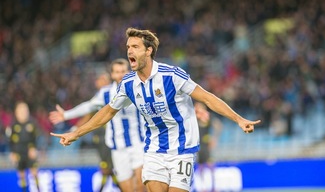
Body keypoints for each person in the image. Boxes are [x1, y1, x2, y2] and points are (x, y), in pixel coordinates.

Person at [51, 27, 261, 192]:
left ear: (148, 50)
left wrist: (238, 119)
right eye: (128, 47)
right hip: (153, 151)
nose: (129, 51)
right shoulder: (128, 84)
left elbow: (207, 97)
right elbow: (106, 112)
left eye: (135, 47)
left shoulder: (172, 76)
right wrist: (76, 133)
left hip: (182, 150)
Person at [49, 59, 145, 192]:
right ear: (112, 74)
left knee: (141, 184)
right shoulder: (105, 93)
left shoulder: (138, 88)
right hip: (117, 148)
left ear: (128, 72)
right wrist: (66, 115)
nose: (121, 75)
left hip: (139, 144)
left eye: (123, 71)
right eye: (117, 72)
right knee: (127, 189)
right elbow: (88, 106)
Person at [8, 101, 40, 192]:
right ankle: (24, 190)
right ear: (16, 112)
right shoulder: (13, 125)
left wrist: (34, 149)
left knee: (34, 172)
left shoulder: (32, 123)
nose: (23, 112)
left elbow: (36, 138)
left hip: (29, 152)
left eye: (25, 110)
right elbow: (10, 141)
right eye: (21, 110)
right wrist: (12, 153)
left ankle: (38, 189)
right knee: (21, 174)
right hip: (18, 153)